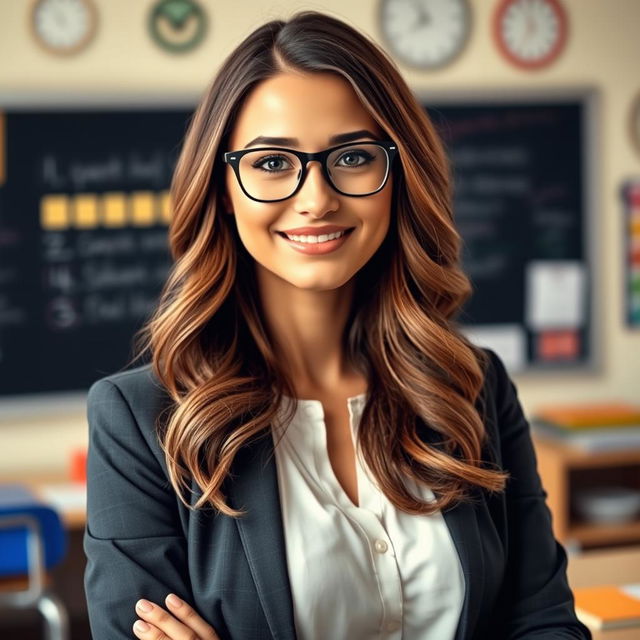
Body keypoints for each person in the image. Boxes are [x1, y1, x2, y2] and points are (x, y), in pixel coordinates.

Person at [83, 10, 591, 640]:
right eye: (272, 163)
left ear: (398, 178)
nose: (317, 197)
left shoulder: (473, 386)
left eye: (351, 155)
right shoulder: (140, 420)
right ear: (223, 187)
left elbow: (545, 624)